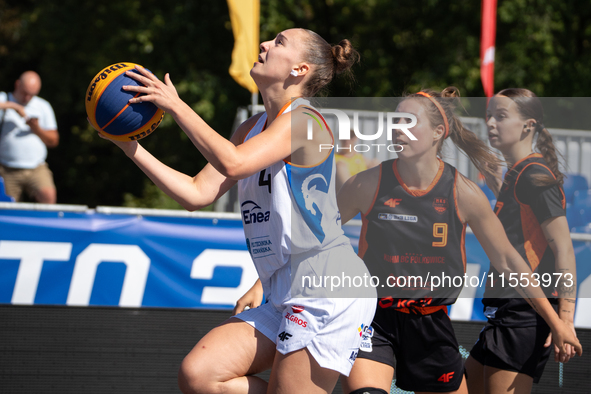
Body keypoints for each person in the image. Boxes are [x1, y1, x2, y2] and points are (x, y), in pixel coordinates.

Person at [93, 28, 376, 394]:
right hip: (283, 287)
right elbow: (197, 193)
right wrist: (127, 145)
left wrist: (176, 106)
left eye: (279, 42)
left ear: (300, 69)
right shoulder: (251, 128)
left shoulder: (305, 121)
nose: (264, 44)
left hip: (326, 286)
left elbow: (233, 163)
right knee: (200, 375)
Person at [334, 88, 582, 394]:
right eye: (396, 121)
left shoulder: (473, 190)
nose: (399, 128)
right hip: (376, 317)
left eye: (409, 121)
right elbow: (318, 237)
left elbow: (519, 258)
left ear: (439, 132)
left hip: (451, 321)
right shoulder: (369, 182)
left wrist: (561, 320)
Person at [465, 89, 579, 393]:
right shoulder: (517, 173)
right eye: (489, 115)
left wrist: (564, 321)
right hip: (507, 313)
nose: (490, 123)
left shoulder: (534, 175)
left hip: (525, 315)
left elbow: (565, 250)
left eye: (500, 116)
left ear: (528, 125)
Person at [0, 71, 59, 203]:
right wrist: (13, 106)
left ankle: (45, 223)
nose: (27, 98)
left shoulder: (43, 106)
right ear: (17, 84)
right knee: (8, 208)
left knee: (48, 197)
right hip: (7, 168)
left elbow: (53, 140)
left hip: (36, 167)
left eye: (32, 95)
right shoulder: (4, 99)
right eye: (24, 93)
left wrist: (36, 129)